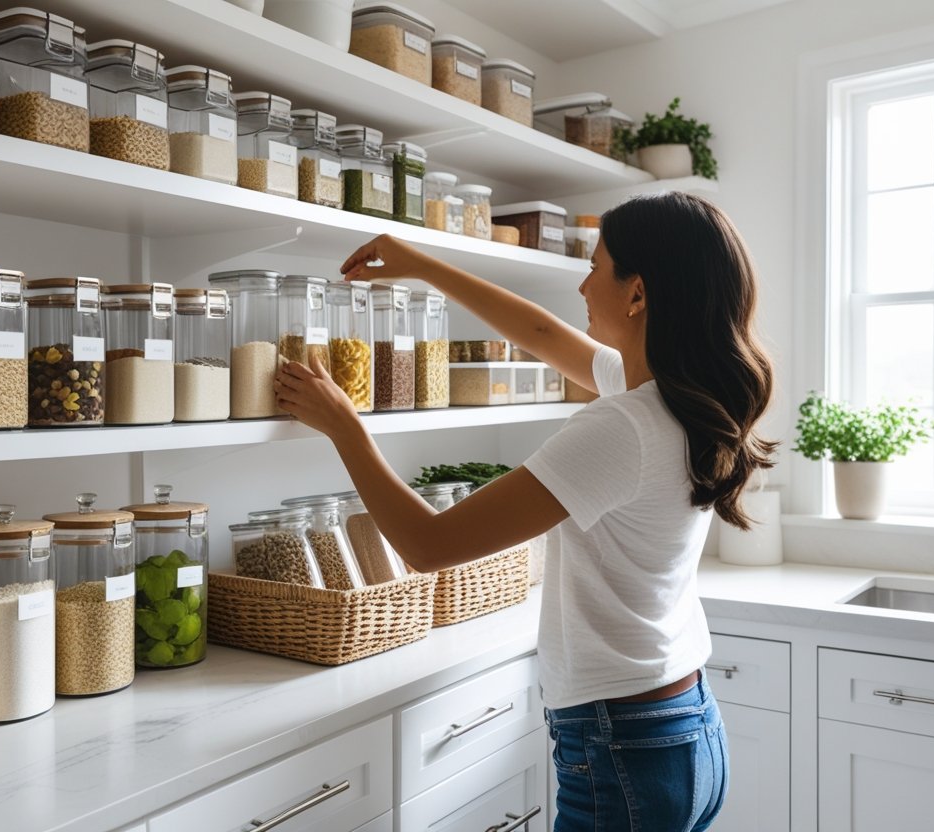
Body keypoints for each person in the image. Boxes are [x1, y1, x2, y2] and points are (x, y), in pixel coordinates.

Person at [273, 192, 776, 831]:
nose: (584, 282)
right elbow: (539, 333)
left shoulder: (623, 425)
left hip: (623, 742)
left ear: (639, 293)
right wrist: (422, 265)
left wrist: (345, 427)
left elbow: (428, 545)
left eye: (597, 266)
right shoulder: (677, 400)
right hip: (684, 725)